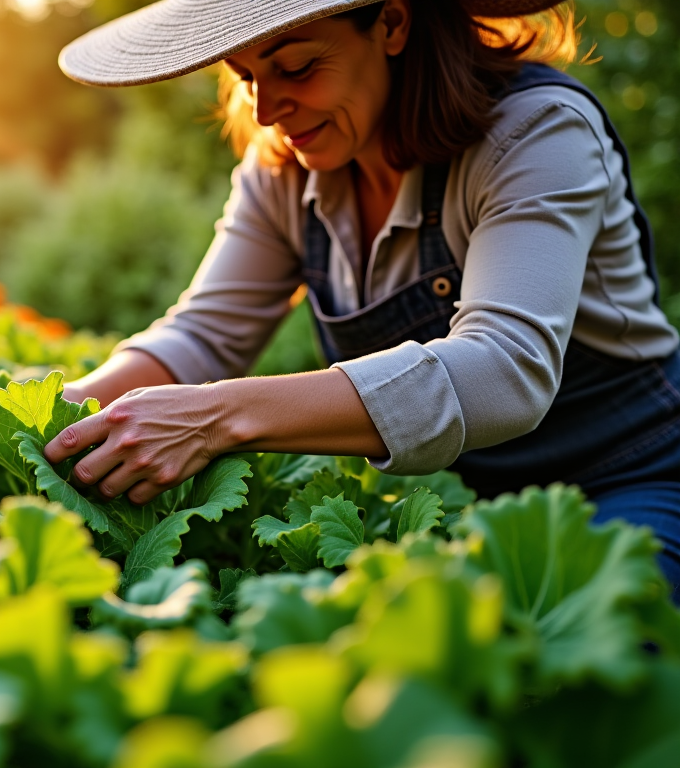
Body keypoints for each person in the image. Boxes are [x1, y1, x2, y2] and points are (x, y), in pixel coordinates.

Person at [47, 0, 680, 595]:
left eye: (296, 66)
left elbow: (505, 371)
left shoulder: (535, 132)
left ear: (393, 24)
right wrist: (59, 416)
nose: (267, 110)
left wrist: (218, 418)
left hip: (625, 476)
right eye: (244, 75)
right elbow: (202, 337)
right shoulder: (284, 170)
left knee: (595, 657)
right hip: (444, 504)